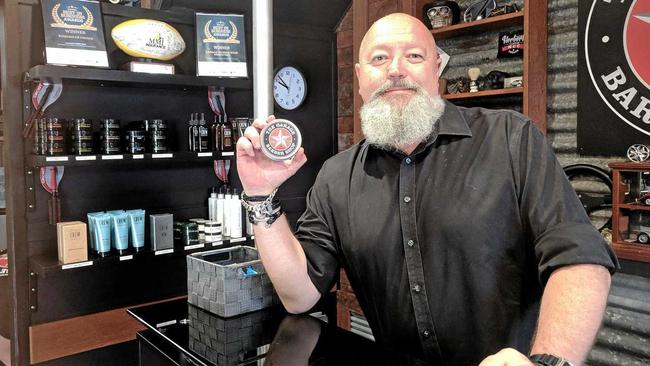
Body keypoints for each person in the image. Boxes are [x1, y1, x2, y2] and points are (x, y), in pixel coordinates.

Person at [236, 12, 617, 366]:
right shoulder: (336, 177)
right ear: (359, 75)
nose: (396, 70)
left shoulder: (511, 139)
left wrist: (548, 361)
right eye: (379, 59)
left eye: (414, 56)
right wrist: (259, 193)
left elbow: (579, 257)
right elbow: (299, 295)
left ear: (437, 68)